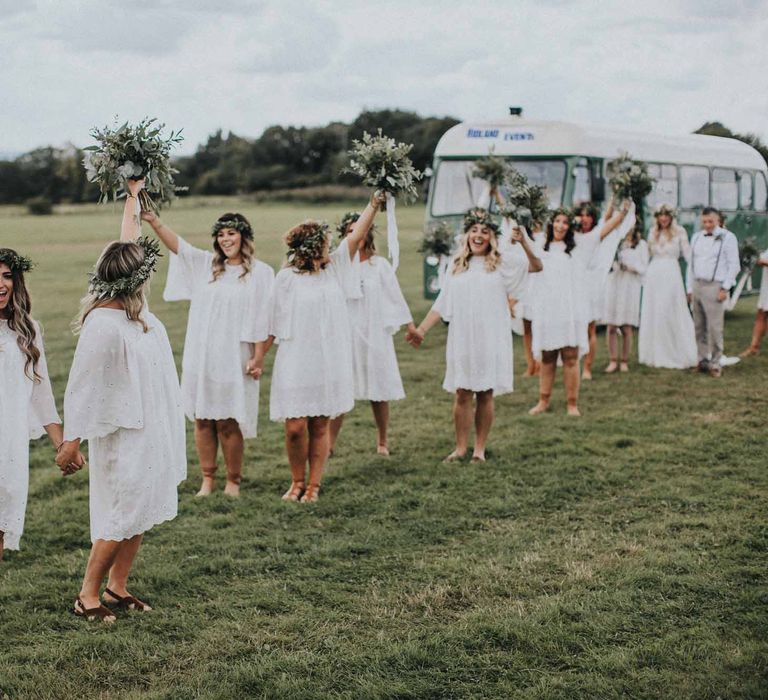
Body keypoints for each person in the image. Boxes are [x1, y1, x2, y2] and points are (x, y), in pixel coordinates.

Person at [56, 181, 186, 623]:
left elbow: (128, 242)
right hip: (123, 434)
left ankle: (118, 587)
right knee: (121, 512)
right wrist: (70, 443)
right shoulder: (104, 325)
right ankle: (87, 595)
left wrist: (133, 195)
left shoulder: (134, 312)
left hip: (153, 428)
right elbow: (83, 388)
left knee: (141, 509)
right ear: (135, 277)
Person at [252, 192, 385, 503]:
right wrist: (258, 357)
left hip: (328, 359)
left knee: (321, 424)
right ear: (310, 247)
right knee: (296, 427)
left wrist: (375, 204)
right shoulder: (286, 279)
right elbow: (270, 323)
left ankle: (314, 484)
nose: (329, 246)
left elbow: (358, 232)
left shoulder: (336, 268)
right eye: (323, 242)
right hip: (296, 360)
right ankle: (296, 480)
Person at [142, 209, 274, 498]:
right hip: (201, 354)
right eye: (221, 234)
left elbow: (267, 318)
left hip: (235, 356)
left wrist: (259, 355)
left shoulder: (261, 273)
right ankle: (207, 479)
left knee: (227, 419)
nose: (226, 239)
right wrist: (154, 221)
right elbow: (178, 246)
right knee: (202, 418)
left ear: (244, 236)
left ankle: (233, 481)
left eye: (232, 233)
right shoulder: (206, 265)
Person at [408, 207, 540, 461]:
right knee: (462, 392)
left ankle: (479, 449)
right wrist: (421, 329)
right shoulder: (457, 265)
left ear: (492, 236)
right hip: (463, 336)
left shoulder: (502, 263)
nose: (478, 235)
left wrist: (524, 242)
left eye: (485, 231)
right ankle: (460, 447)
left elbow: (536, 266)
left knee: (485, 392)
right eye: (474, 230)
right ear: (467, 234)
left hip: (491, 335)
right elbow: (442, 303)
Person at [0, 250, 82, 560]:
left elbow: (41, 392)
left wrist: (63, 446)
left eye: (7, 276)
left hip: (8, 444)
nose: (1, 284)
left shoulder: (28, 329)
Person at [528, 202, 630, 417]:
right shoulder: (539, 245)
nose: (561, 226)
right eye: (557, 221)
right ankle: (543, 400)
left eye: (565, 222)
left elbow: (609, 226)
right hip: (547, 311)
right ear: (551, 223)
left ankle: (572, 403)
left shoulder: (581, 245)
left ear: (570, 225)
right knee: (547, 357)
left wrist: (623, 210)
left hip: (570, 311)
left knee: (571, 357)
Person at [328, 212, 416, 457]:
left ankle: (382, 441)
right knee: (342, 389)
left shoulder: (380, 266)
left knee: (379, 391)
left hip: (375, 333)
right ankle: (329, 444)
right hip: (347, 333)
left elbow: (395, 297)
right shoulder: (339, 266)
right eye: (350, 231)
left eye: (360, 229)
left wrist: (410, 326)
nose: (356, 235)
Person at [638, 204, 698, 369]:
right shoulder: (652, 232)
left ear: (671, 217)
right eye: (660, 215)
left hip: (671, 274)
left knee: (669, 310)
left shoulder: (680, 232)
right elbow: (646, 256)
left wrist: (691, 283)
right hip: (654, 275)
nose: (663, 218)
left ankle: (675, 351)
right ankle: (655, 352)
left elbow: (689, 257)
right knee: (655, 312)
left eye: (666, 215)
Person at [685, 206, 740, 377]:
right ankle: (702, 360)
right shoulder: (696, 237)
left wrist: (726, 287)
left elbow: (734, 265)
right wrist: (689, 288)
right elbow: (691, 265)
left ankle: (716, 362)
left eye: (710, 221)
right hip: (698, 284)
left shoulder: (728, 238)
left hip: (715, 286)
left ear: (718, 221)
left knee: (715, 328)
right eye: (704, 222)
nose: (707, 225)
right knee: (699, 326)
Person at [603, 224, 649, 372]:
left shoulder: (641, 245)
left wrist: (630, 267)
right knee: (611, 326)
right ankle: (612, 360)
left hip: (630, 286)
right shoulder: (615, 242)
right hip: (614, 283)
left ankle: (624, 360)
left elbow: (644, 267)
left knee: (626, 327)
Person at [740, 248, 768, 356]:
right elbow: (761, 259)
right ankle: (754, 347)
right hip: (766, 288)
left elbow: (763, 261)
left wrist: (761, 261)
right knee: (761, 315)